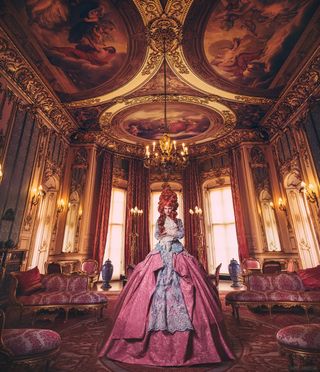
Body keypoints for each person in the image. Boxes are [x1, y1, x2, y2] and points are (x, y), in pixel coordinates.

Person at [99, 185, 234, 366]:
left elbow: (181, 234)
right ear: (162, 208)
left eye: (171, 208)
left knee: (192, 286)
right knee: (149, 286)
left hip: (177, 252)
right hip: (161, 252)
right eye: (166, 208)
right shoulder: (159, 221)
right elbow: (156, 235)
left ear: (174, 208)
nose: (168, 210)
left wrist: (172, 235)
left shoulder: (178, 222)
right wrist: (164, 236)